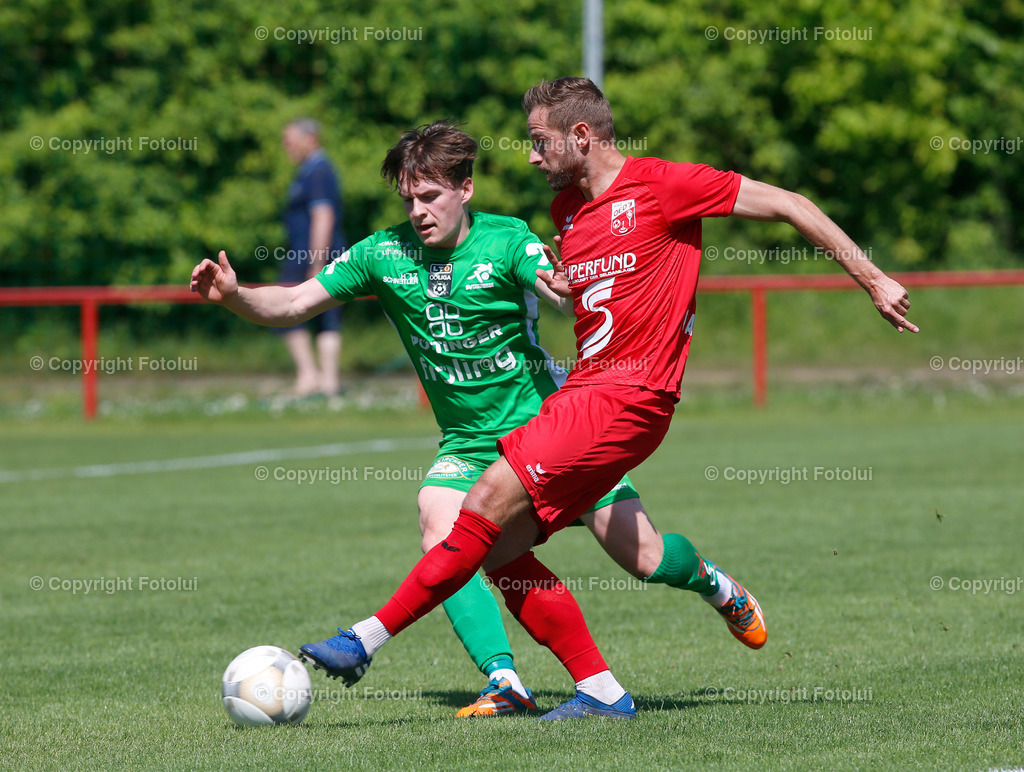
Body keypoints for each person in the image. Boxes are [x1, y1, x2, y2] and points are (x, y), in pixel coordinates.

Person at [191, 119, 767, 721]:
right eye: (409, 198)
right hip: (470, 443)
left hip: (555, 425)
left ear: (465, 188)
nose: (417, 210)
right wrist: (235, 295)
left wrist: (568, 281)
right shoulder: (380, 255)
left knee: (645, 558)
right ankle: (509, 679)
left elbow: (558, 287)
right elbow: (291, 302)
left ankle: (714, 585)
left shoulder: (508, 240)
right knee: (446, 530)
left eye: (431, 195)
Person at [279, 118, 346, 397]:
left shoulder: (317, 170)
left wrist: (316, 262)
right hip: (314, 253)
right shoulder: (309, 170)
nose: (287, 147)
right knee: (326, 318)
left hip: (310, 255)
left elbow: (323, 216)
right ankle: (326, 382)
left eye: (291, 141)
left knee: (286, 310)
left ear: (311, 139)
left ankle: (311, 378)